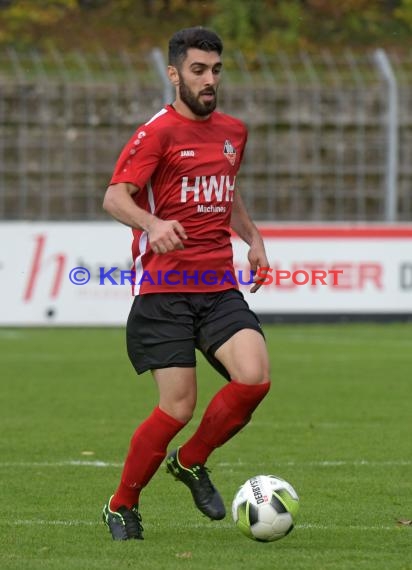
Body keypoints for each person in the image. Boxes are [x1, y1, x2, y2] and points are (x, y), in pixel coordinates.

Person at [101, 26, 271, 541]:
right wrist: (152, 225)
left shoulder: (233, 131)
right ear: (174, 73)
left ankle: (192, 461)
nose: (209, 79)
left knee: (255, 377)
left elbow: (228, 192)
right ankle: (121, 504)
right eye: (198, 70)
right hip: (164, 288)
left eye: (216, 70)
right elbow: (115, 198)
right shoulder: (157, 132)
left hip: (217, 282)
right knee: (178, 406)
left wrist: (253, 239)